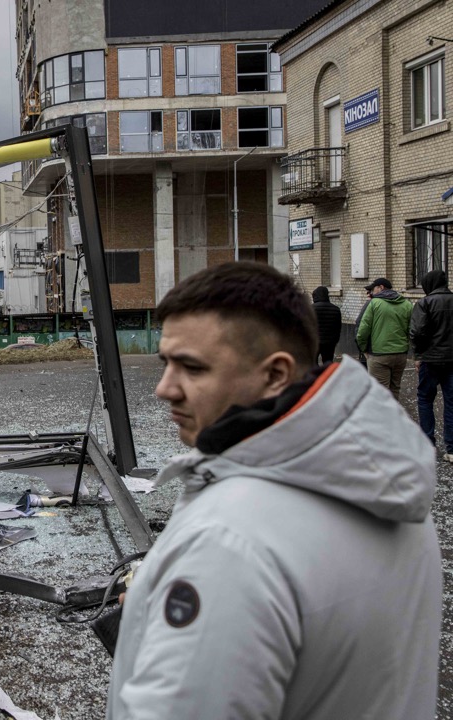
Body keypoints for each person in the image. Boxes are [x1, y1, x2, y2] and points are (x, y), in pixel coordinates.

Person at [107, 262, 440, 720]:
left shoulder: (228, 542)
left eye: (192, 367)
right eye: (166, 363)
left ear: (276, 373)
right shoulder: (391, 488)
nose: (165, 389)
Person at [411, 269, 453, 461]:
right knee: (451, 402)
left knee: (425, 398)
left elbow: (418, 332)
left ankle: (428, 444)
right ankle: (451, 448)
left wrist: (418, 355)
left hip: (430, 359)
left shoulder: (425, 303)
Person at [355, 277, 413, 396]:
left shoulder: (374, 303)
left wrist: (363, 349)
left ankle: (382, 415)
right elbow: (412, 330)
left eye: (373, 289)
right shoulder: (407, 304)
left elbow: (363, 330)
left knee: (379, 393)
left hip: (379, 355)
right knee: (395, 389)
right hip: (400, 354)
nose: (371, 292)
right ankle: (393, 414)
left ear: (381, 288)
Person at [311, 286, 342, 364]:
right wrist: (335, 340)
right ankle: (328, 375)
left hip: (314, 341)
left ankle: (316, 375)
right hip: (330, 342)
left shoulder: (311, 308)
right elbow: (338, 327)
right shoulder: (336, 309)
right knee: (328, 362)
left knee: (312, 362)